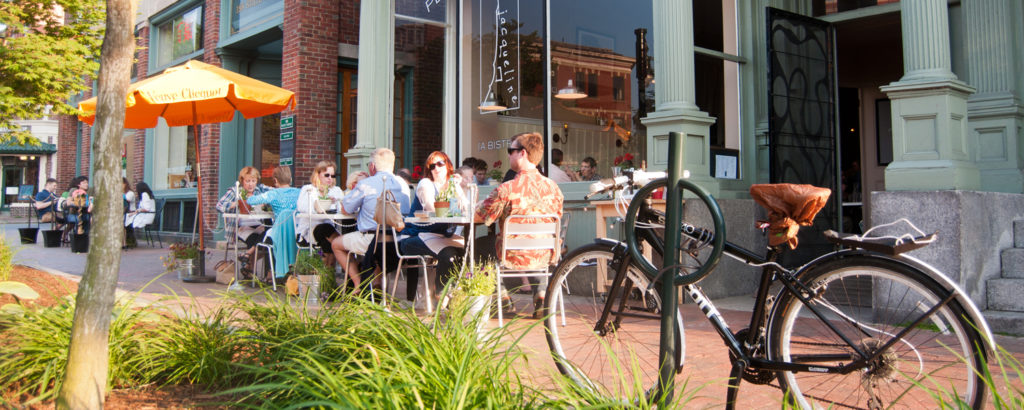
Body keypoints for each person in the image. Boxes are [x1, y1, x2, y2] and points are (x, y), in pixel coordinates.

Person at [476, 131, 564, 317]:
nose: (508, 155)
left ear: (522, 153)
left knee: (479, 246)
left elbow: (481, 216)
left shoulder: (507, 189)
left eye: (511, 150)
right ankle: (541, 294)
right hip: (546, 252)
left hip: (513, 254)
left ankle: (502, 298)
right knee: (534, 241)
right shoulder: (554, 188)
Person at [332, 148, 411, 290]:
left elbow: (346, 209)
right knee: (377, 245)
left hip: (372, 241)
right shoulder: (403, 185)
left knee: (336, 244)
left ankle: (357, 284)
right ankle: (376, 283)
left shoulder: (366, 184)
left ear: (372, 166)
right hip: (397, 240)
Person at [398, 151, 468, 302]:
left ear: (448, 165)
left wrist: (457, 187)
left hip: (439, 237)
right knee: (449, 254)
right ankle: (443, 296)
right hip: (414, 237)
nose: (436, 168)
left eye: (440, 164)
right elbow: (430, 207)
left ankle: (458, 294)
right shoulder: (426, 184)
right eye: (432, 166)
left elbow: (465, 208)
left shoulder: (452, 185)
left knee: (467, 252)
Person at [247, 166, 301, 280]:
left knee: (267, 233)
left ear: (275, 180)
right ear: (290, 179)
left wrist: (250, 195)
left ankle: (273, 272)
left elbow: (251, 201)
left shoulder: (273, 193)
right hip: (297, 233)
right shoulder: (299, 192)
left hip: (279, 233)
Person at [216, 166, 272, 273]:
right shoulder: (235, 192)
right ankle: (249, 266)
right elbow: (219, 205)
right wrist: (235, 204)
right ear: (242, 181)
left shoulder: (259, 190)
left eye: (253, 181)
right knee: (256, 240)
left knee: (269, 234)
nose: (251, 184)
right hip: (241, 227)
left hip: (258, 225)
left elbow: (277, 191)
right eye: (247, 181)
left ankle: (248, 257)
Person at [297, 161, 345, 265]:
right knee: (326, 232)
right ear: (317, 174)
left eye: (332, 175)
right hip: (310, 229)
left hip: (329, 229)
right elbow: (301, 207)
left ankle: (326, 278)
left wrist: (336, 201)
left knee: (327, 240)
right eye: (326, 175)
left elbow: (343, 209)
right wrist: (318, 204)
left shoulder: (336, 190)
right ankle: (343, 247)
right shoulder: (309, 189)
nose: (330, 178)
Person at [123, 182, 155, 249]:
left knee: (126, 221)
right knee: (128, 217)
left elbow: (147, 208)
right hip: (146, 215)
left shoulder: (144, 195)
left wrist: (137, 211)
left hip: (146, 216)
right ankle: (130, 241)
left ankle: (129, 241)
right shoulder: (148, 194)